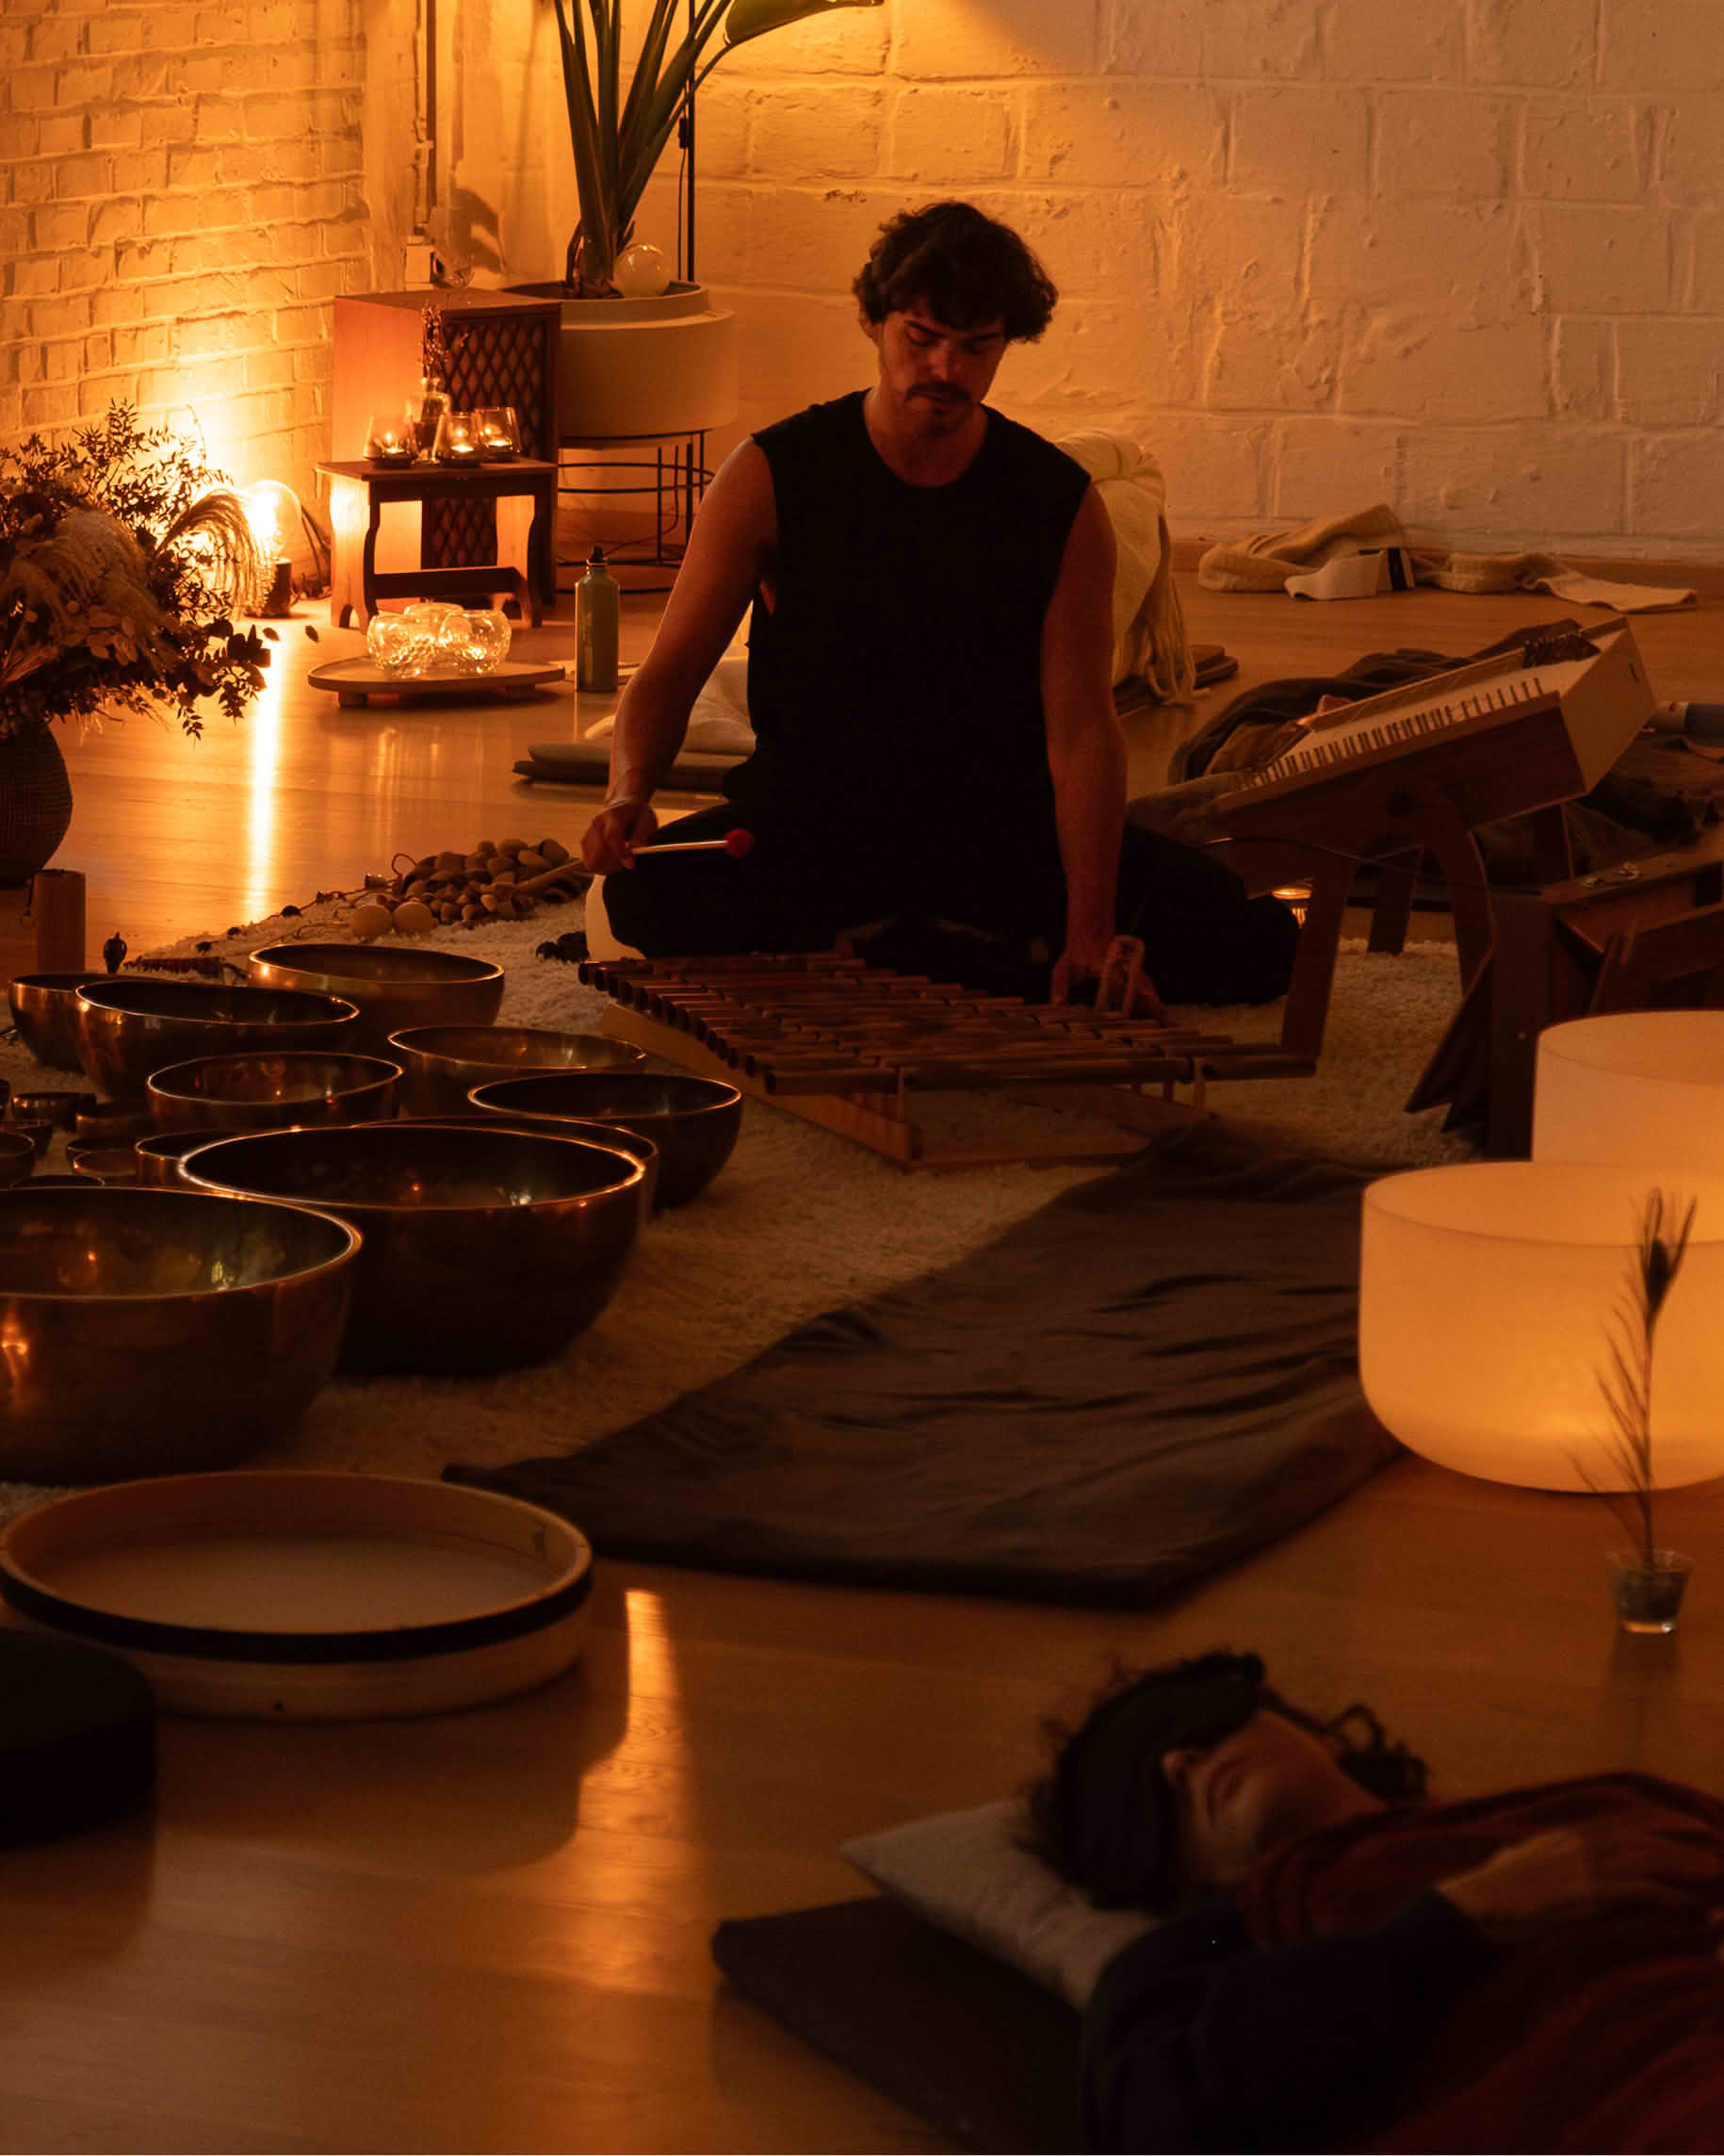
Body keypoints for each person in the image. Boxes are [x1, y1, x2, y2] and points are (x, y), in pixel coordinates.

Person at [580, 201, 1297, 1009]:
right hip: (814, 832)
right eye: (921, 339)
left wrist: (1091, 929)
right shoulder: (774, 474)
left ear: (1004, 345)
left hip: (994, 838)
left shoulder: (1057, 504)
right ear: (877, 324)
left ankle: (891, 958)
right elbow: (669, 673)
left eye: (974, 347)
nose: (946, 370)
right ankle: (984, 967)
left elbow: (1082, 731)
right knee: (644, 896)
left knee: (1262, 941)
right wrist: (627, 794)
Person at [1027, 1650, 1724, 2152]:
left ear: (1316, 1733)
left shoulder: (1608, 1801)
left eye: (1198, 1725)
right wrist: (1454, 1925)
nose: (1179, 1761)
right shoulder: (1210, 1947)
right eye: (1145, 1797)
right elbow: (1153, 2117)